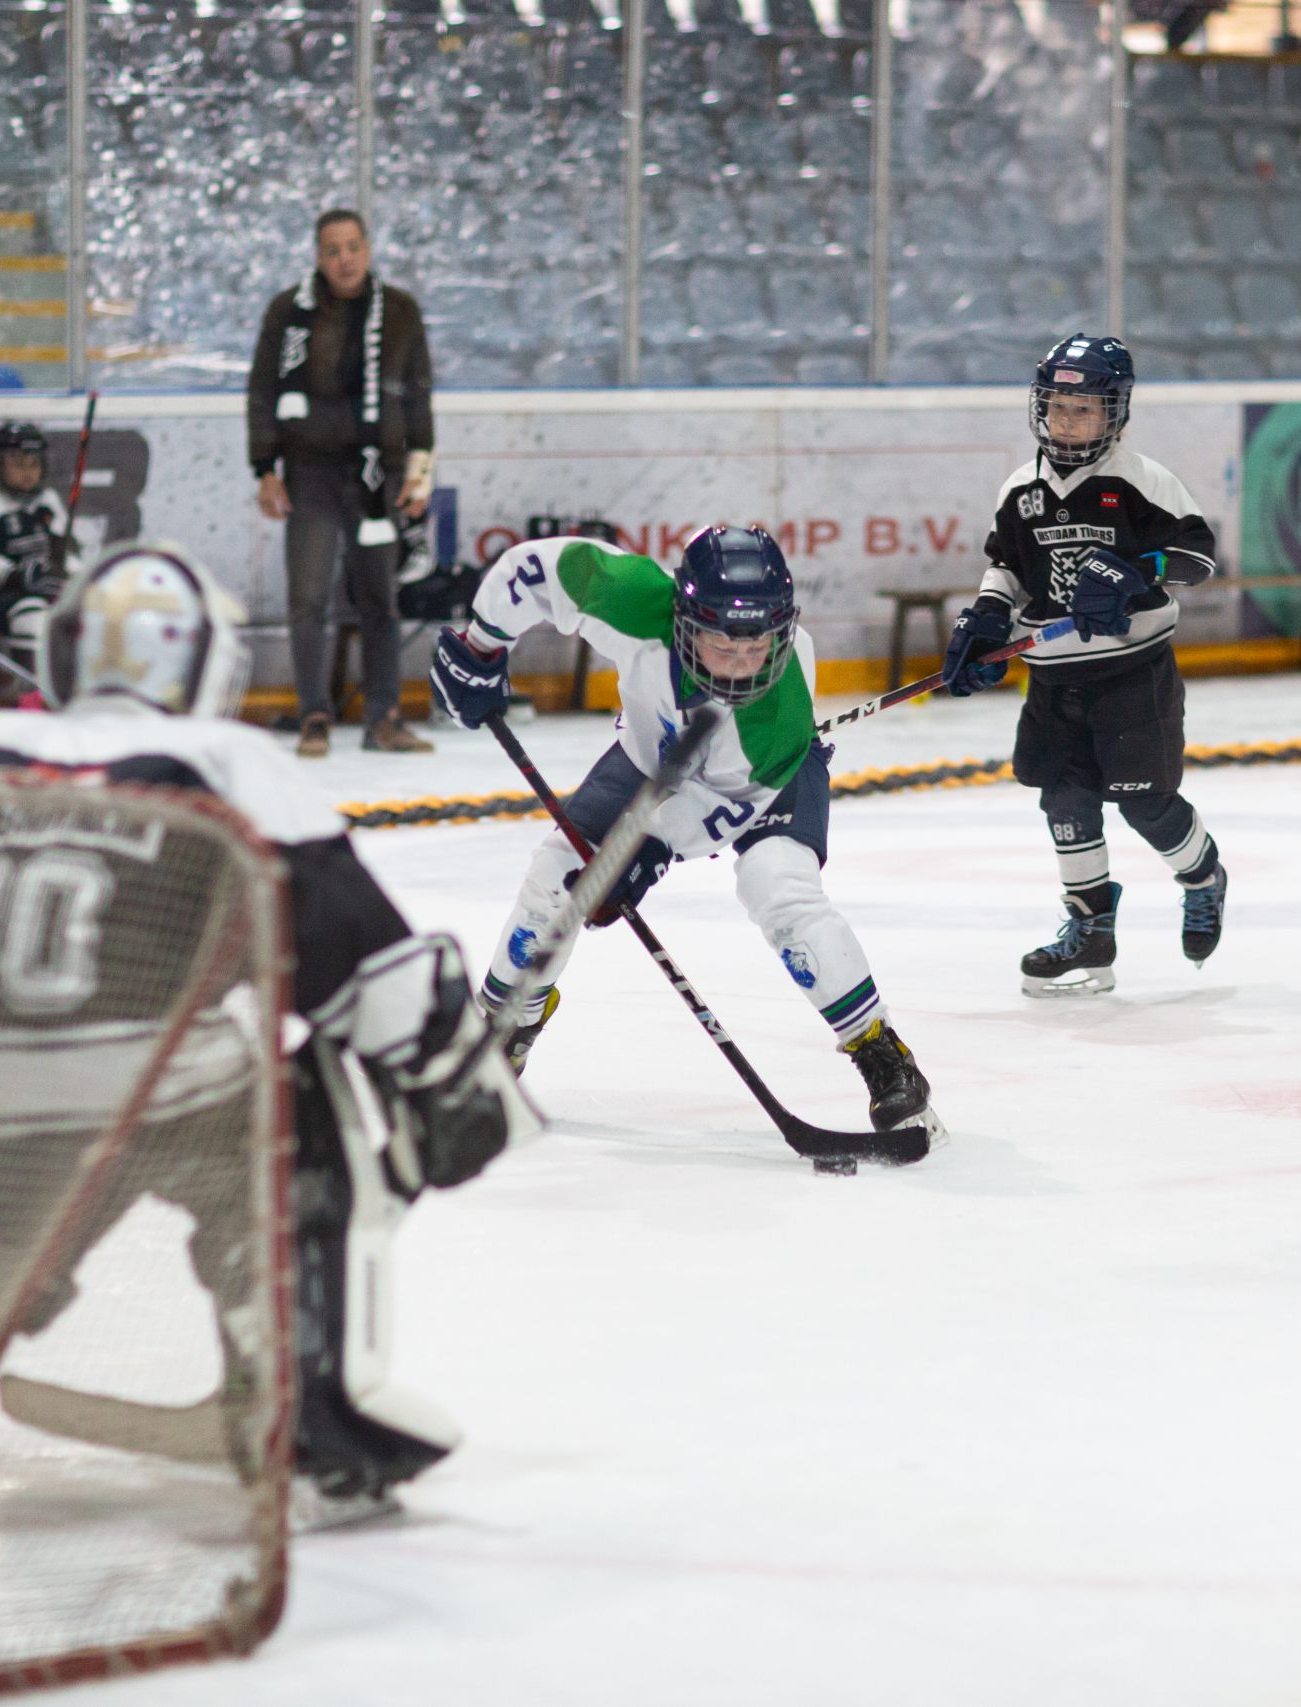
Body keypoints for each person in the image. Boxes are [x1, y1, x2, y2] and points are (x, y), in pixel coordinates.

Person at [0, 540, 531, 1522]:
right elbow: (358, 961)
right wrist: (454, 1091)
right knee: (299, 1102)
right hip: (161, 1093)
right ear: (206, 665)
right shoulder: (223, 760)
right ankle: (284, 1374)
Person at [430, 524, 940, 1141]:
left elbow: (720, 807)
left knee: (778, 888)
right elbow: (534, 569)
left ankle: (879, 1051)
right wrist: (482, 646)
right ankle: (504, 1030)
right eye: (724, 645)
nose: (744, 664)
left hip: (766, 780)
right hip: (652, 752)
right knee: (556, 881)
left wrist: (642, 848)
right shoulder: (632, 598)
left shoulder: (771, 719)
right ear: (682, 618)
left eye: (759, 647)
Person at [940, 334, 1227, 994]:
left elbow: (1200, 558)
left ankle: (1203, 874)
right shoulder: (1020, 490)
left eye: (1083, 409)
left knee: (1146, 805)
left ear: (1115, 412)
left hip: (1133, 675)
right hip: (1055, 675)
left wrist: (1137, 572)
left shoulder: (1142, 482)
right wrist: (986, 614)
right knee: (1064, 800)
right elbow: (1008, 565)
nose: (1065, 422)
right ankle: (1091, 931)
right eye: (1056, 407)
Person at [248, 208, 436, 760]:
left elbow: (418, 396)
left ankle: (385, 717)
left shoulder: (399, 312)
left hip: (378, 476)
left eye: (353, 246)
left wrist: (420, 472)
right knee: (307, 598)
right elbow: (262, 392)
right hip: (309, 474)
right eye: (332, 250)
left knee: (380, 599)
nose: (344, 259)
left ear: (368, 249)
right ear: (317, 256)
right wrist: (264, 470)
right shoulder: (288, 312)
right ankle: (313, 714)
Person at [0, 420, 77, 683]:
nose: (28, 472)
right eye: (19, 464)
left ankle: (74, 694)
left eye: (33, 464)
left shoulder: (48, 501)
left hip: (42, 592)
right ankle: (31, 698)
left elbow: (67, 554)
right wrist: (28, 576)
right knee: (32, 618)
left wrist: (71, 575)